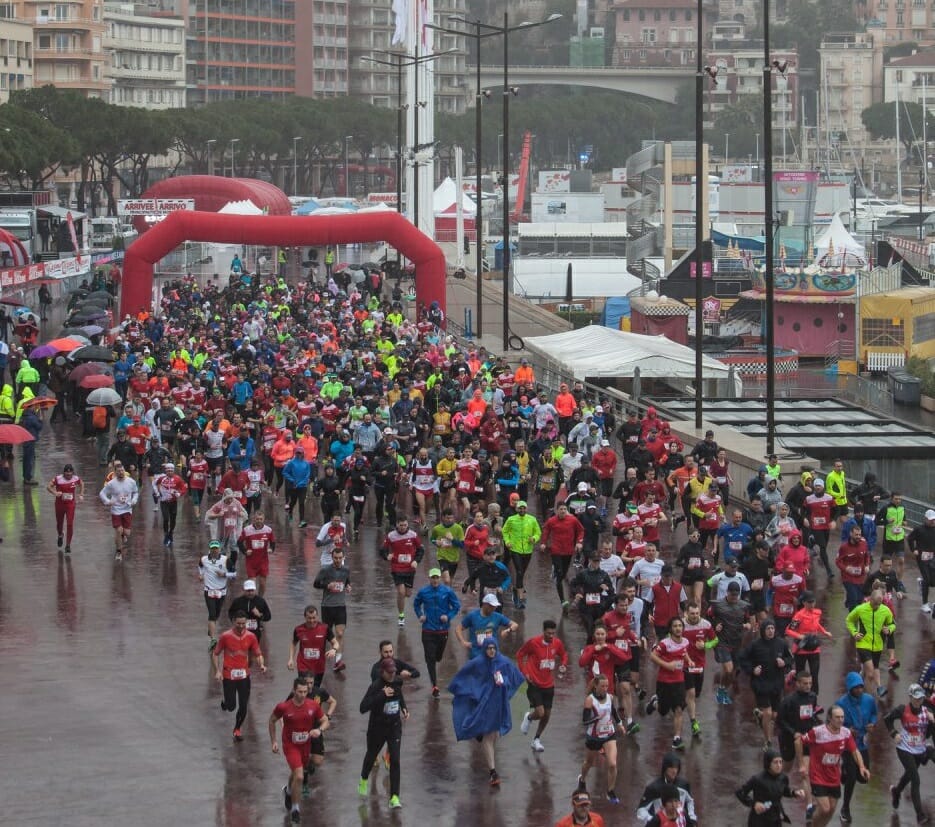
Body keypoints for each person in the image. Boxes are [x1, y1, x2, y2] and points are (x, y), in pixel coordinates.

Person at [449, 636, 524, 787]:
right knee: (490, 737)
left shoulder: (503, 662)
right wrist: (465, 691)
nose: (491, 651)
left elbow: (516, 677)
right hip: (484, 703)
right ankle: (493, 772)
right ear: (485, 649)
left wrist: (505, 683)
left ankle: (480, 735)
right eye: (489, 648)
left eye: (493, 648)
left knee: (494, 735)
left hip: (499, 704)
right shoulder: (478, 662)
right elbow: (464, 675)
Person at [794, 706, 870, 827]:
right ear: (830, 718)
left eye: (842, 717)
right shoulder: (818, 732)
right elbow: (798, 742)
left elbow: (855, 751)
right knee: (825, 808)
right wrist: (802, 764)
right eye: (837, 717)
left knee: (831, 810)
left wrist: (861, 767)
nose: (840, 720)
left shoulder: (846, 733)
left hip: (834, 777)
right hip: (817, 775)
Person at [269, 677, 329, 824]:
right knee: (300, 776)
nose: (303, 694)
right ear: (293, 690)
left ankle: (288, 792)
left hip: (305, 746)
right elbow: (271, 721)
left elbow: (325, 720)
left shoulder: (312, 706)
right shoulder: (284, 707)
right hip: (290, 746)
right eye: (300, 691)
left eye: (305, 691)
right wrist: (274, 742)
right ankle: (296, 809)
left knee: (296, 773)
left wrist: (319, 730)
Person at [358, 657, 408, 809]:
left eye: (394, 672)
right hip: (377, 728)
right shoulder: (375, 686)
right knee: (371, 755)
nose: (392, 675)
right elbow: (363, 707)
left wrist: (404, 708)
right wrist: (382, 695)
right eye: (389, 672)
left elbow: (399, 695)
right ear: (382, 672)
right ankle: (364, 778)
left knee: (395, 760)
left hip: (394, 727)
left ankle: (394, 797)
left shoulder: (397, 682)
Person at [212, 609, 267, 741]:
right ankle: (226, 703)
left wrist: (261, 664)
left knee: (243, 705)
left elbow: (258, 654)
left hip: (244, 676)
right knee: (231, 707)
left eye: (243, 623)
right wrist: (217, 671)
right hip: (229, 675)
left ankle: (237, 729)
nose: (241, 626)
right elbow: (215, 653)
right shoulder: (225, 636)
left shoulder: (251, 636)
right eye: (238, 623)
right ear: (233, 622)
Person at [737, 619, 793, 750]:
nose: (771, 631)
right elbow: (742, 658)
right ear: (763, 630)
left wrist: (784, 662)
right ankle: (767, 741)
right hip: (760, 683)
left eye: (772, 628)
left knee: (774, 715)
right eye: (768, 629)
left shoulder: (781, 643)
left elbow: (790, 658)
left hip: (776, 684)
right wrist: (752, 670)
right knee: (768, 713)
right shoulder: (755, 645)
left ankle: (760, 715)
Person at [884, 683, 934, 824]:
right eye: (916, 698)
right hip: (904, 749)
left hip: (920, 749)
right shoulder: (902, 710)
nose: (919, 701)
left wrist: (932, 722)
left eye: (921, 698)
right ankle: (920, 815)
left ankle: (896, 791)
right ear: (910, 697)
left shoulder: (927, 712)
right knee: (915, 779)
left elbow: (929, 734)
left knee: (909, 775)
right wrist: (894, 733)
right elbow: (887, 719)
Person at [516, 619, 568, 752]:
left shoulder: (557, 643)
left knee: (547, 715)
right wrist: (525, 672)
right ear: (543, 631)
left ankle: (536, 739)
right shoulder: (533, 643)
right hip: (534, 683)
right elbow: (520, 655)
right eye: (548, 633)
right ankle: (529, 717)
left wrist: (563, 664)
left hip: (549, 685)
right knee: (540, 712)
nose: (551, 636)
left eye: (553, 633)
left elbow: (564, 655)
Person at [577, 674, 625, 804]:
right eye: (602, 686)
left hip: (609, 734)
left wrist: (620, 724)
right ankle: (582, 780)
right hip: (594, 736)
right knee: (589, 763)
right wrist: (595, 719)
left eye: (607, 686)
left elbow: (613, 712)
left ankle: (610, 791)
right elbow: (585, 720)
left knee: (612, 764)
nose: (605, 688)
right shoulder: (590, 700)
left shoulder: (610, 697)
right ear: (596, 686)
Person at [413, 567, 461, 697]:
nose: (434, 580)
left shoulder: (447, 591)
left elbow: (456, 606)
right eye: (432, 578)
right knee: (430, 659)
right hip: (428, 629)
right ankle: (434, 685)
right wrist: (420, 615)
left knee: (438, 656)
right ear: (429, 578)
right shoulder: (423, 592)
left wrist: (448, 616)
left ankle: (437, 657)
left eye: (436, 577)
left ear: (440, 578)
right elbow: (416, 604)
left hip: (442, 630)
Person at [836, 672, 877, 823]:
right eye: (856, 688)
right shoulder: (841, 703)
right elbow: (835, 724)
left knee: (864, 778)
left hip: (862, 743)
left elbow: (874, 714)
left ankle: (844, 772)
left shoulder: (869, 700)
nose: (859, 690)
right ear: (849, 688)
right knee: (852, 777)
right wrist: (847, 729)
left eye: (861, 687)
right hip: (847, 746)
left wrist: (872, 724)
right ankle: (845, 808)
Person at [646, 616, 691, 751]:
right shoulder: (665, 643)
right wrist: (667, 665)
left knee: (678, 709)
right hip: (664, 681)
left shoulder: (685, 642)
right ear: (671, 629)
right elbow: (652, 656)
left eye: (680, 626)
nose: (678, 628)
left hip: (679, 681)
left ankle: (677, 738)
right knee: (663, 711)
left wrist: (689, 661)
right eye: (675, 626)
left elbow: (684, 653)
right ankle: (655, 703)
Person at [845, 588, 896, 699]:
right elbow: (849, 620)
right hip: (863, 644)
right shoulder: (860, 609)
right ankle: (867, 698)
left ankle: (858, 688)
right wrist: (854, 633)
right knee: (870, 673)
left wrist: (889, 629)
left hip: (878, 645)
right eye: (875, 603)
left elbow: (892, 624)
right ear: (870, 599)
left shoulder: (885, 610)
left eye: (879, 603)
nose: (877, 606)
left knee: (872, 669)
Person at [735, 749, 806, 826]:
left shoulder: (783, 778)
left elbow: (784, 790)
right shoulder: (757, 779)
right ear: (768, 763)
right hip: (759, 820)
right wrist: (754, 804)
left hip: (776, 817)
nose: (779, 765)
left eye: (780, 762)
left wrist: (794, 793)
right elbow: (740, 793)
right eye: (775, 762)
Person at [540, 502, 584, 613]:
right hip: (556, 551)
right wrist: (543, 543)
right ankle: (563, 600)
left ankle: (557, 571)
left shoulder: (573, 520)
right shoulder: (552, 521)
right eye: (561, 509)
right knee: (559, 575)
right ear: (557, 510)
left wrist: (579, 542)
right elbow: (545, 531)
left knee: (563, 574)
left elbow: (581, 530)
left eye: (565, 509)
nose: (563, 511)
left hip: (568, 551)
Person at [312, 547, 351, 673]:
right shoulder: (325, 570)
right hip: (327, 606)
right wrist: (327, 585)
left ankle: (338, 661)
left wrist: (348, 587)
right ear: (332, 557)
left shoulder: (346, 570)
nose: (338, 560)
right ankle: (319, 658)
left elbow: (347, 582)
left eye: (340, 558)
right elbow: (316, 584)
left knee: (339, 633)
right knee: (325, 635)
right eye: (335, 558)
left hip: (340, 605)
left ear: (343, 558)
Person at [380, 516, 424, 626]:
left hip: (410, 568)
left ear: (407, 525)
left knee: (408, 594)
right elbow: (382, 550)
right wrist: (386, 556)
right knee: (401, 592)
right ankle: (401, 615)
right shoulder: (391, 536)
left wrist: (416, 561)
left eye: (405, 525)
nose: (403, 527)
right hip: (397, 568)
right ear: (397, 525)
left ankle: (401, 599)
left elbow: (421, 550)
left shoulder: (413, 535)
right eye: (401, 525)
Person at [636, 752, 697, 826]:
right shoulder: (654, 788)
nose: (674, 771)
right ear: (665, 768)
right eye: (671, 767)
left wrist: (692, 818)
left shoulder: (684, 784)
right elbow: (640, 810)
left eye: (676, 767)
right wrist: (653, 820)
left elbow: (690, 801)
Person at [501, 500, 541, 608]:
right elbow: (504, 531)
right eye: (520, 508)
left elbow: (538, 532)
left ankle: (515, 589)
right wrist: (507, 542)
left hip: (528, 550)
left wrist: (534, 538)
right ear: (517, 509)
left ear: (526, 509)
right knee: (519, 571)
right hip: (515, 549)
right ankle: (520, 598)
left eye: (524, 508)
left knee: (521, 573)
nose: (522, 510)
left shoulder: (532, 519)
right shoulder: (511, 519)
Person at [287, 605, 337, 688]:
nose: (312, 620)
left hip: (318, 667)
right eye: (309, 618)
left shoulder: (325, 628)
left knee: (315, 690)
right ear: (305, 617)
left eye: (314, 618)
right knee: (304, 688)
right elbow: (293, 643)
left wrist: (334, 650)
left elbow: (335, 643)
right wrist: (291, 659)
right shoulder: (298, 629)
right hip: (303, 666)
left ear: (317, 616)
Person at [199, 540, 236, 649]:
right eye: (212, 548)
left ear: (219, 549)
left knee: (216, 614)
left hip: (221, 591)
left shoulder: (226, 560)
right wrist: (201, 575)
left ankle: (211, 628)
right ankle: (213, 639)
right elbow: (200, 566)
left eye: (216, 548)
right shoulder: (204, 559)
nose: (214, 550)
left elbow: (234, 574)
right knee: (212, 614)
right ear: (209, 549)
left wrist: (224, 574)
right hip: (208, 590)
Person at [99, 461, 139, 560]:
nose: (121, 472)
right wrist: (108, 501)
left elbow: (136, 492)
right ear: (115, 472)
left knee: (127, 533)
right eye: (118, 471)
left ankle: (122, 536)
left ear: (124, 471)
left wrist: (134, 500)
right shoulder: (111, 483)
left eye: (122, 470)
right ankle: (119, 551)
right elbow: (102, 494)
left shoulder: (131, 482)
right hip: (116, 510)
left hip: (127, 509)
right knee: (118, 530)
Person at [456, 593, 518, 658]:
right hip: (476, 656)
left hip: (493, 655)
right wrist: (463, 642)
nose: (494, 608)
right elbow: (458, 629)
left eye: (495, 606)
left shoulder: (498, 616)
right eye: (491, 606)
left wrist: (508, 630)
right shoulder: (472, 616)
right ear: (484, 604)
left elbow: (515, 625)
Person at [47, 463, 84, 554]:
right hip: (59, 504)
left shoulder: (75, 478)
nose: (69, 476)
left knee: (70, 524)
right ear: (63, 473)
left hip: (70, 504)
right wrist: (55, 493)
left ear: (72, 473)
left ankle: (68, 545)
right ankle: (60, 534)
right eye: (67, 475)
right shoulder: (58, 479)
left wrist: (81, 494)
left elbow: (82, 483)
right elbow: (48, 487)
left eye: (70, 474)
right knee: (59, 523)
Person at [238, 511, 276, 597]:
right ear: (254, 519)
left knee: (262, 584)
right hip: (251, 561)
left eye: (261, 519)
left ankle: (260, 599)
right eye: (257, 519)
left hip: (263, 561)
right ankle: (252, 601)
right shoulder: (247, 530)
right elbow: (239, 542)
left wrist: (271, 549)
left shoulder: (268, 530)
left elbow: (273, 542)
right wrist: (245, 551)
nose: (259, 521)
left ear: (263, 519)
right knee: (252, 584)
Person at [151, 461, 188, 547]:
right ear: (165, 471)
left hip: (173, 502)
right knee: (166, 518)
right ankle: (166, 535)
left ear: (173, 471)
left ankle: (171, 533)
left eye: (171, 470)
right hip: (164, 502)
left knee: (173, 520)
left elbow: (184, 488)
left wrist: (179, 493)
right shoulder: (162, 478)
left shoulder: (178, 478)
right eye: (168, 471)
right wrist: (157, 492)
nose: (169, 472)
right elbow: (154, 483)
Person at [908, 508, 935, 613]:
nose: (933, 521)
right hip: (922, 558)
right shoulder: (919, 529)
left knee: (932, 582)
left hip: (932, 557)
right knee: (927, 580)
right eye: (931, 519)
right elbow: (910, 538)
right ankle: (924, 604)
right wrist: (913, 549)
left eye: (934, 519)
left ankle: (922, 582)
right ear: (926, 519)